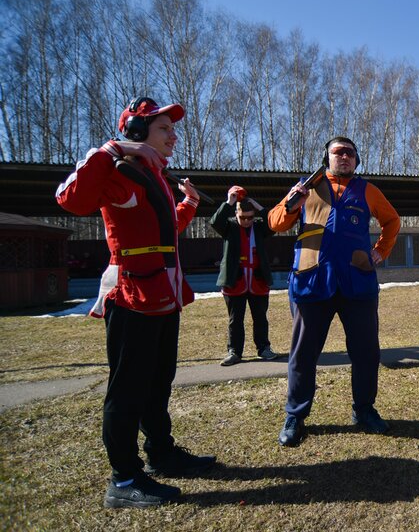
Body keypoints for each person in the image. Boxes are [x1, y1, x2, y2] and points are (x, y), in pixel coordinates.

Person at [55, 97, 216, 508]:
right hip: (132, 297)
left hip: (162, 297)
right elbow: (70, 199)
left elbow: (164, 230)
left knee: (157, 384)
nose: (173, 136)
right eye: (164, 129)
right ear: (137, 132)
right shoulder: (119, 169)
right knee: (127, 391)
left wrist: (190, 203)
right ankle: (124, 481)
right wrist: (114, 149)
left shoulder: (155, 176)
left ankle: (161, 454)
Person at [269, 136, 401, 447]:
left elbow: (392, 220)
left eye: (349, 153)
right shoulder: (306, 186)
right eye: (337, 152)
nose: (343, 157)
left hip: (357, 282)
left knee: (367, 351)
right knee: (303, 354)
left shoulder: (367, 190)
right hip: (312, 281)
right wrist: (292, 203)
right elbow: (276, 223)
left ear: (356, 160)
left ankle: (364, 409)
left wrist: (380, 251)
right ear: (326, 157)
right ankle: (295, 416)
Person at [210, 185, 279, 366]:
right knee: (235, 320)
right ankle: (234, 352)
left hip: (258, 281)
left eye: (250, 217)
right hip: (235, 281)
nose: (247, 221)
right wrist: (229, 202)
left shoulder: (259, 228)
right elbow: (215, 222)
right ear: (236, 214)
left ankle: (264, 348)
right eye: (243, 217)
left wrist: (259, 207)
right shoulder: (229, 227)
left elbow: (274, 223)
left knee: (261, 319)